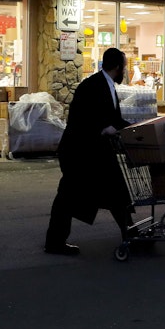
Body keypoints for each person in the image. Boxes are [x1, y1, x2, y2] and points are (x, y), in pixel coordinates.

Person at [44, 47, 134, 256]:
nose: (126, 71)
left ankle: (130, 233)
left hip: (95, 151)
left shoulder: (106, 85)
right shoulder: (92, 86)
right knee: (68, 197)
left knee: (115, 190)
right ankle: (54, 242)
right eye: (125, 67)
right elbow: (80, 120)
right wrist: (103, 129)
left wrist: (135, 128)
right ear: (118, 67)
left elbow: (113, 118)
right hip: (79, 152)